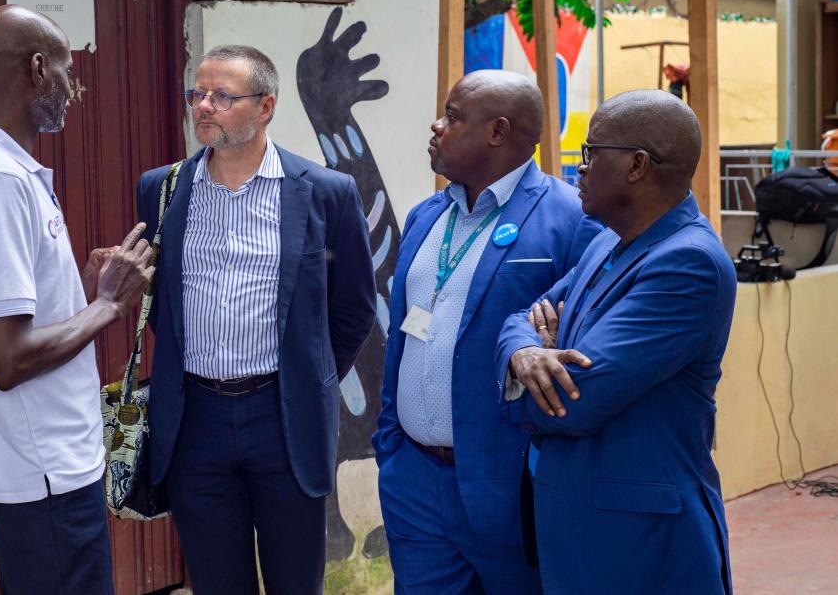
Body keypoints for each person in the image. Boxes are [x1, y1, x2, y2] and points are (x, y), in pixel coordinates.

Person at [0, 5, 153, 595]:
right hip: (45, 468)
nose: (72, 91)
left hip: (17, 467)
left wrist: (78, 281)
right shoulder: (1, 182)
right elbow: (8, 360)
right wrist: (108, 305)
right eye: (68, 73)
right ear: (36, 68)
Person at [136, 45, 376, 595]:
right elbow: (163, 308)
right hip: (195, 421)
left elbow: (354, 307)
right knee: (216, 583)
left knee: (296, 582)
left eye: (224, 96)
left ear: (266, 106)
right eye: (197, 94)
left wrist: (305, 375)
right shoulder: (163, 189)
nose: (204, 106)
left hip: (283, 419)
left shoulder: (325, 192)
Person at [495, 89, 737, 595]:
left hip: (640, 542)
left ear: (636, 165)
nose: (578, 168)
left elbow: (569, 400)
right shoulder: (608, 239)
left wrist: (527, 375)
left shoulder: (687, 264)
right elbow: (520, 317)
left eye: (590, 153)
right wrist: (525, 352)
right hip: (581, 528)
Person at [373, 70, 600, 594]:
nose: (436, 126)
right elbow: (405, 337)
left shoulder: (572, 219)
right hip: (413, 479)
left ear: (498, 132)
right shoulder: (426, 215)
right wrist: (391, 448)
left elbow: (582, 346)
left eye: (452, 117)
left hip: (510, 484)